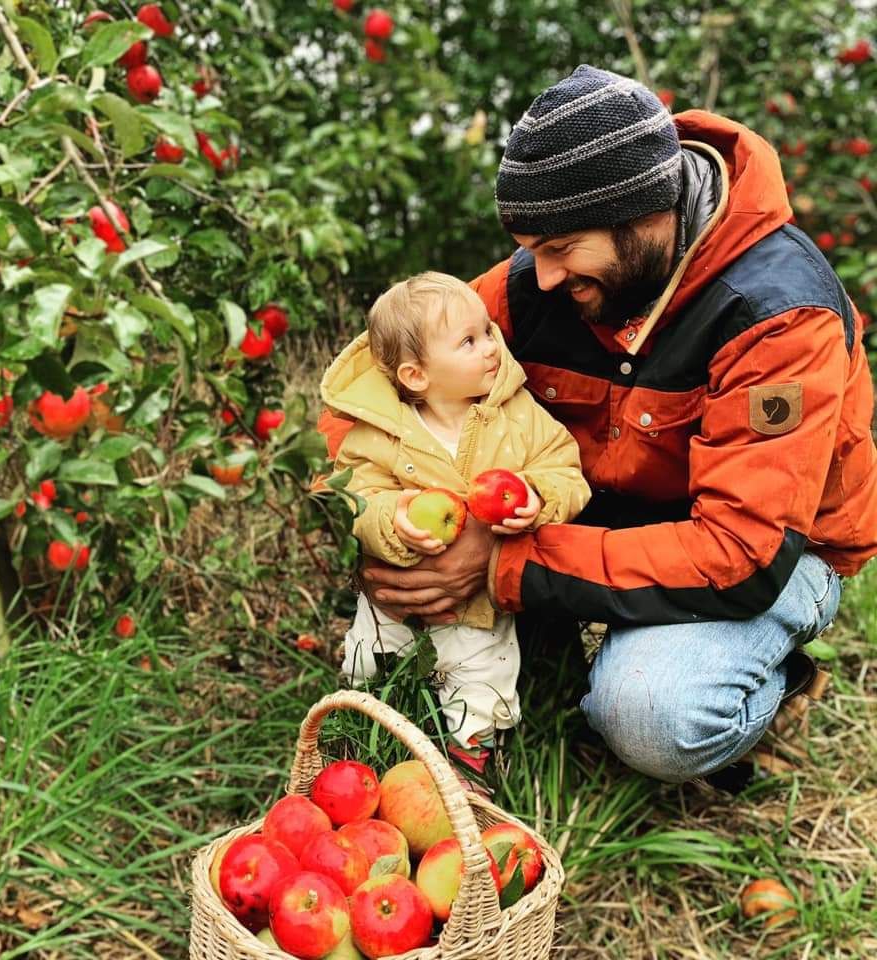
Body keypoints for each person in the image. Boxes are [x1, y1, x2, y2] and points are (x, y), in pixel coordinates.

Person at [319, 65, 877, 787]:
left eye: (559, 250)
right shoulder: (542, 280)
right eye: (530, 249)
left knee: (649, 713)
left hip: (774, 555)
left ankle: (765, 690)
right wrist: (383, 514)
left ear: (642, 216)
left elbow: (742, 552)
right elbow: (371, 391)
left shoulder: (776, 315)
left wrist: (500, 566)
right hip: (615, 520)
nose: (542, 277)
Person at [320, 271, 590, 773]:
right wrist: (391, 519)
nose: (491, 347)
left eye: (489, 331)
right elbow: (355, 495)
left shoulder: (516, 413)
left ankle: (474, 761)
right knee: (367, 660)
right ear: (416, 375)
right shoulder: (381, 432)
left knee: (480, 678)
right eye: (469, 341)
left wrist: (539, 497)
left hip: (478, 602)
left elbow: (565, 469)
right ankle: (359, 740)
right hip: (394, 596)